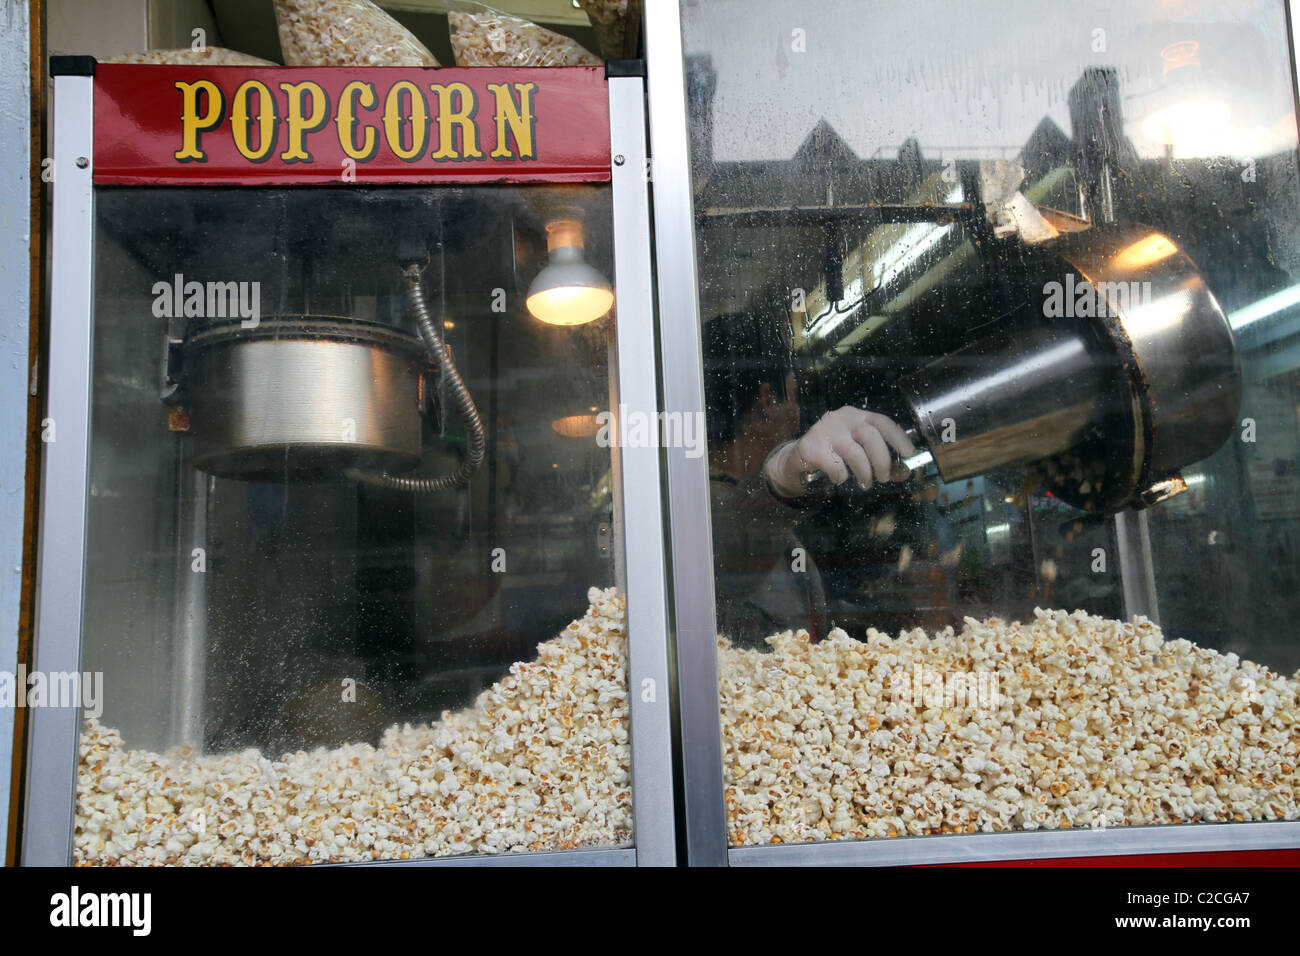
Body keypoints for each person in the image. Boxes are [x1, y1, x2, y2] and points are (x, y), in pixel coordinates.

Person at [702, 305, 915, 647]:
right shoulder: (696, 513)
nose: (799, 412)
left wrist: (873, 622)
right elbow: (728, 556)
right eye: (795, 395)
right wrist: (783, 471)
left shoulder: (772, 520)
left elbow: (789, 622)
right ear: (769, 400)